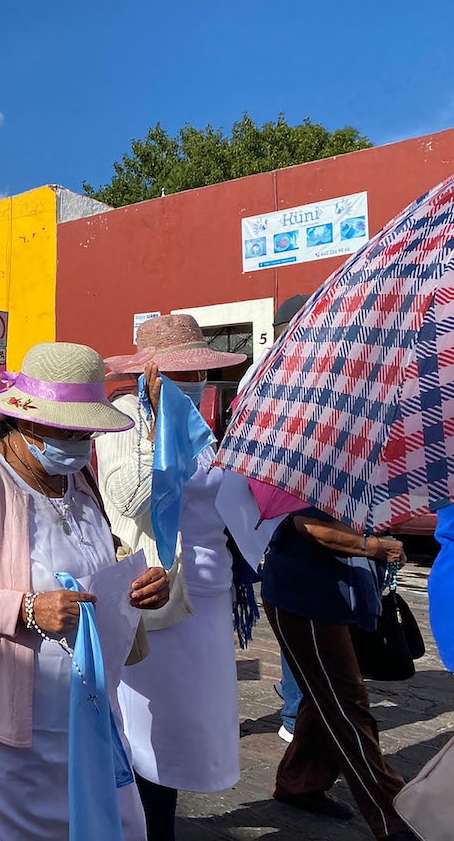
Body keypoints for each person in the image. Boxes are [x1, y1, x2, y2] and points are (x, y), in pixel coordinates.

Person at [0, 342, 170, 839]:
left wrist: (136, 584)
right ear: (27, 423)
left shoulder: (78, 476)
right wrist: (26, 609)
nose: (79, 442)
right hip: (11, 727)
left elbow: (96, 553)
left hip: (88, 709)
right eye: (67, 431)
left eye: (86, 432)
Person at [97, 313, 247, 840]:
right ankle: (147, 825)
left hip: (209, 594)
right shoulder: (124, 419)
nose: (195, 384)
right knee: (150, 728)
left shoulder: (204, 428)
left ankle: (159, 815)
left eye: (200, 374)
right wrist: (163, 427)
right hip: (157, 596)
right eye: (183, 375)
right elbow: (126, 499)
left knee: (193, 726)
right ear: (153, 375)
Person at [262, 511, 416, 840]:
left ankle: (299, 781)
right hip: (307, 596)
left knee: (326, 696)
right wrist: (374, 546)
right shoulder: (314, 476)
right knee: (347, 706)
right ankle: (396, 816)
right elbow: (309, 525)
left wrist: (383, 544)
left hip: (347, 594)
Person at [239, 294, 311, 745]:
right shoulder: (268, 374)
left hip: (290, 502)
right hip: (283, 505)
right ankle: (296, 712)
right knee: (300, 608)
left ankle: (300, 705)